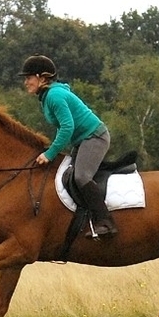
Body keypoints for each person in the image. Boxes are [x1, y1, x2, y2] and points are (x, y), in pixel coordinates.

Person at [19, 54, 118, 238]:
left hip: (95, 137)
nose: (26, 82)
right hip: (82, 140)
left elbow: (67, 127)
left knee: (81, 177)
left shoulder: (54, 96)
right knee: (66, 175)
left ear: (42, 77)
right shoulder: (48, 96)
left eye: (28, 77)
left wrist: (50, 153)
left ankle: (105, 222)